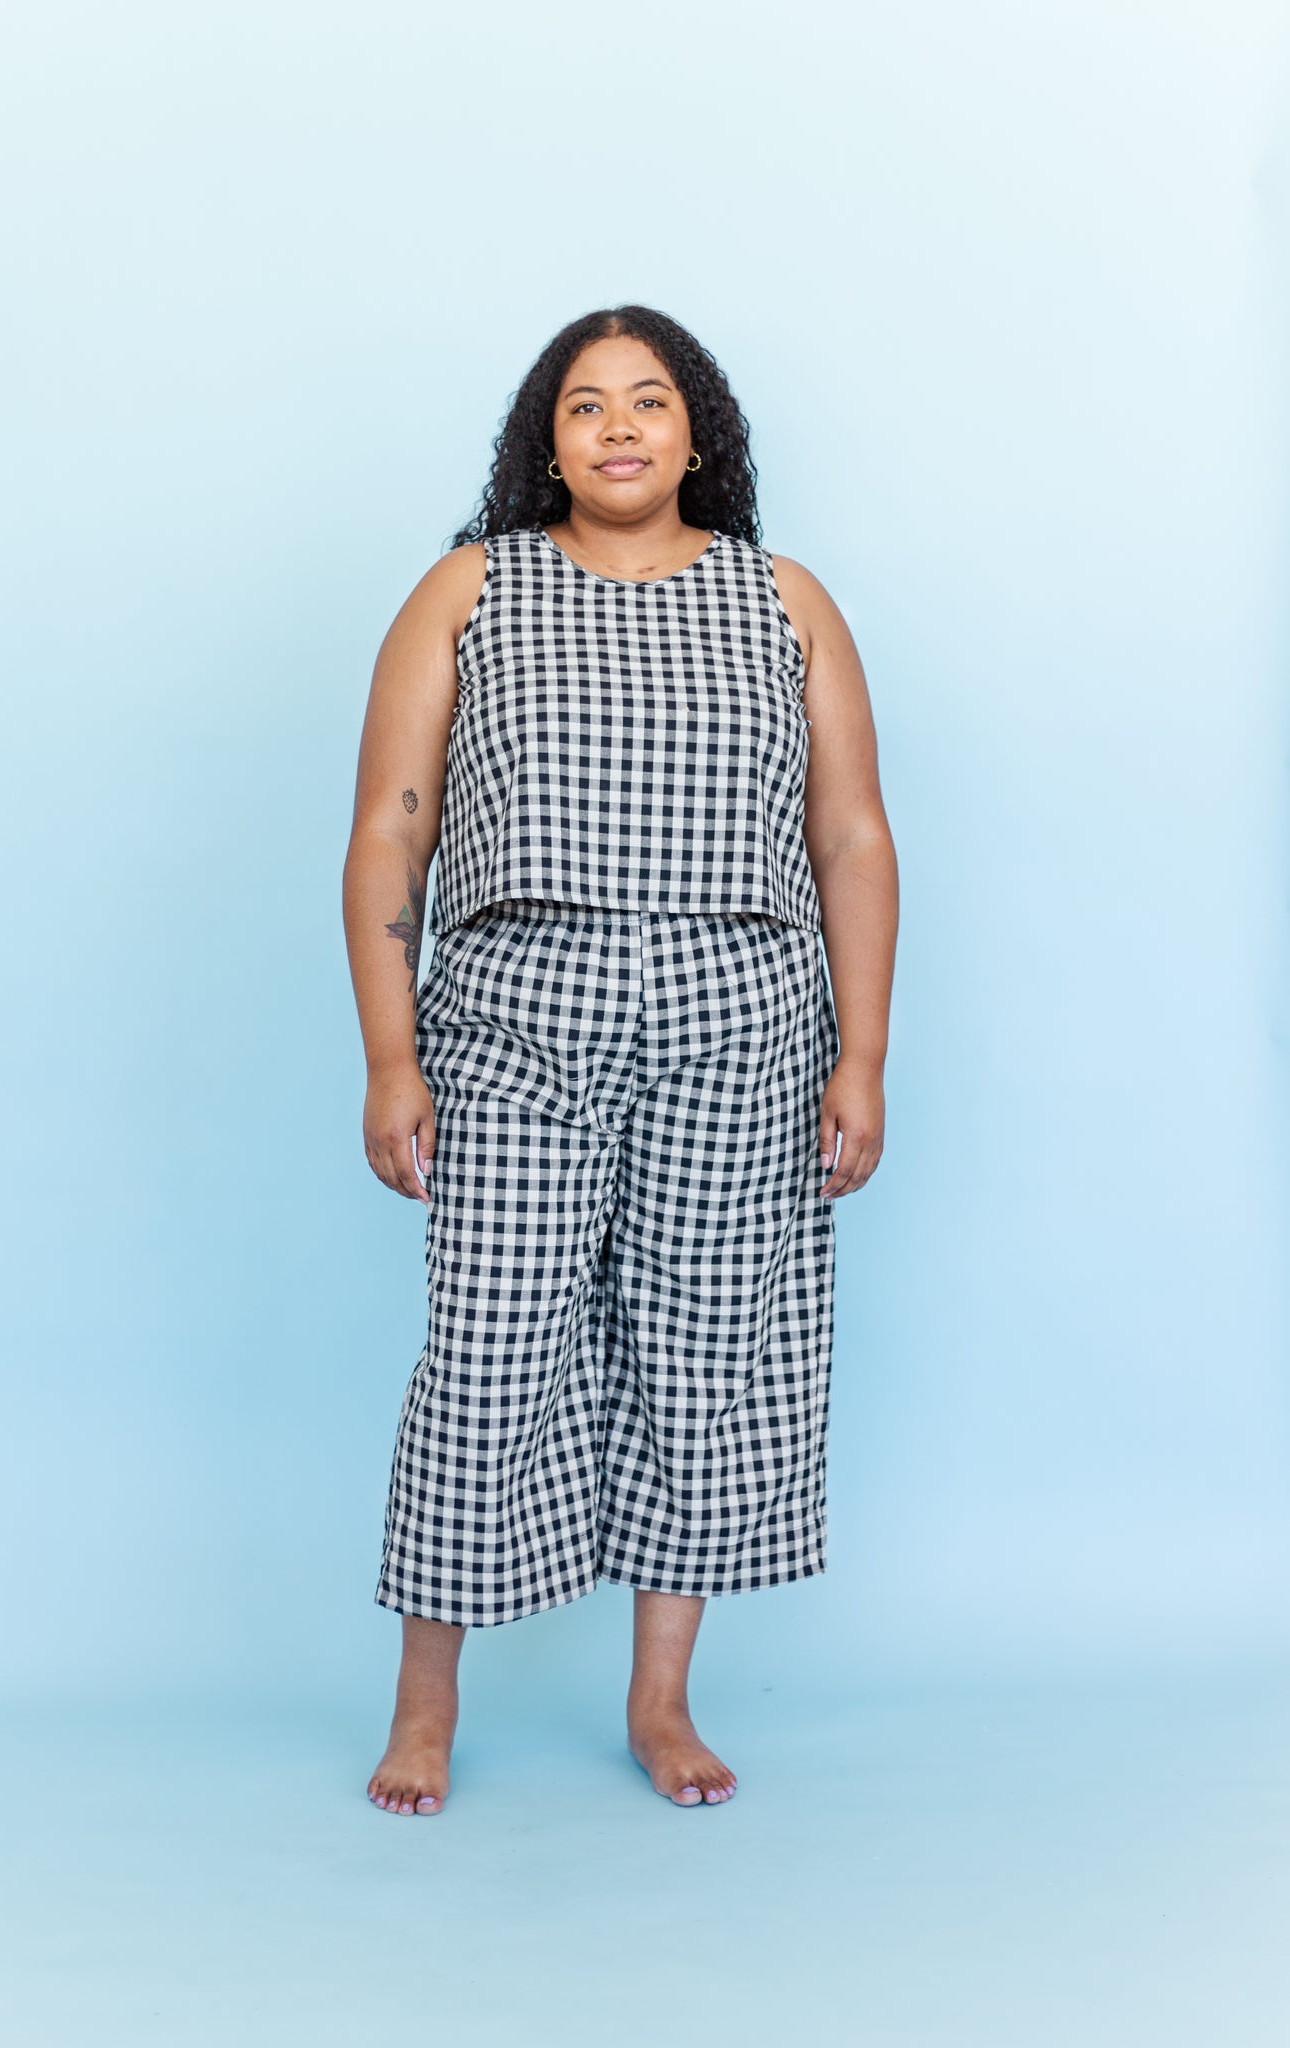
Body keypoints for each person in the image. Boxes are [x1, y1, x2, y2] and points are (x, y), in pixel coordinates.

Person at [341, 304, 898, 1817]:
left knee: (704, 1349)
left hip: (743, 1018)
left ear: (696, 433)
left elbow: (849, 835)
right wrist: (392, 1058)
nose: (619, 428)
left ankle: (661, 1699)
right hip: (517, 1009)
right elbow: (391, 828)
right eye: (585, 406)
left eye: (649, 400)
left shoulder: (782, 598)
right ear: (549, 442)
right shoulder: (472, 588)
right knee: (490, 1346)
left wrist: (859, 1057)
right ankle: (425, 1704)